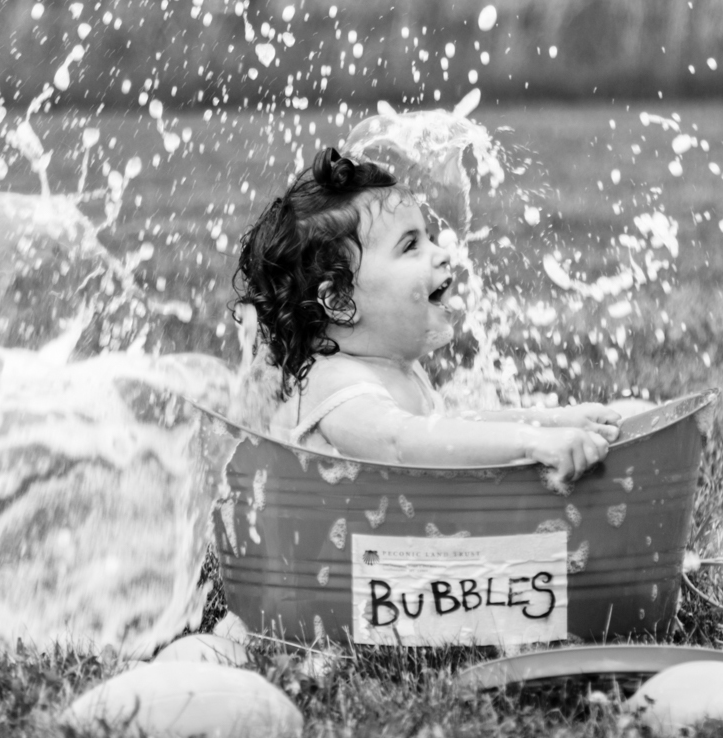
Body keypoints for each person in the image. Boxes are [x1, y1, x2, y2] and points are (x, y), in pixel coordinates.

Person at [233, 148, 619, 485]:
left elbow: (451, 429)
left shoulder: (389, 367)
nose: (441, 252)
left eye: (428, 237)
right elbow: (403, 443)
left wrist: (556, 422)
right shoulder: (334, 385)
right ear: (340, 301)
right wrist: (530, 442)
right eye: (410, 246)